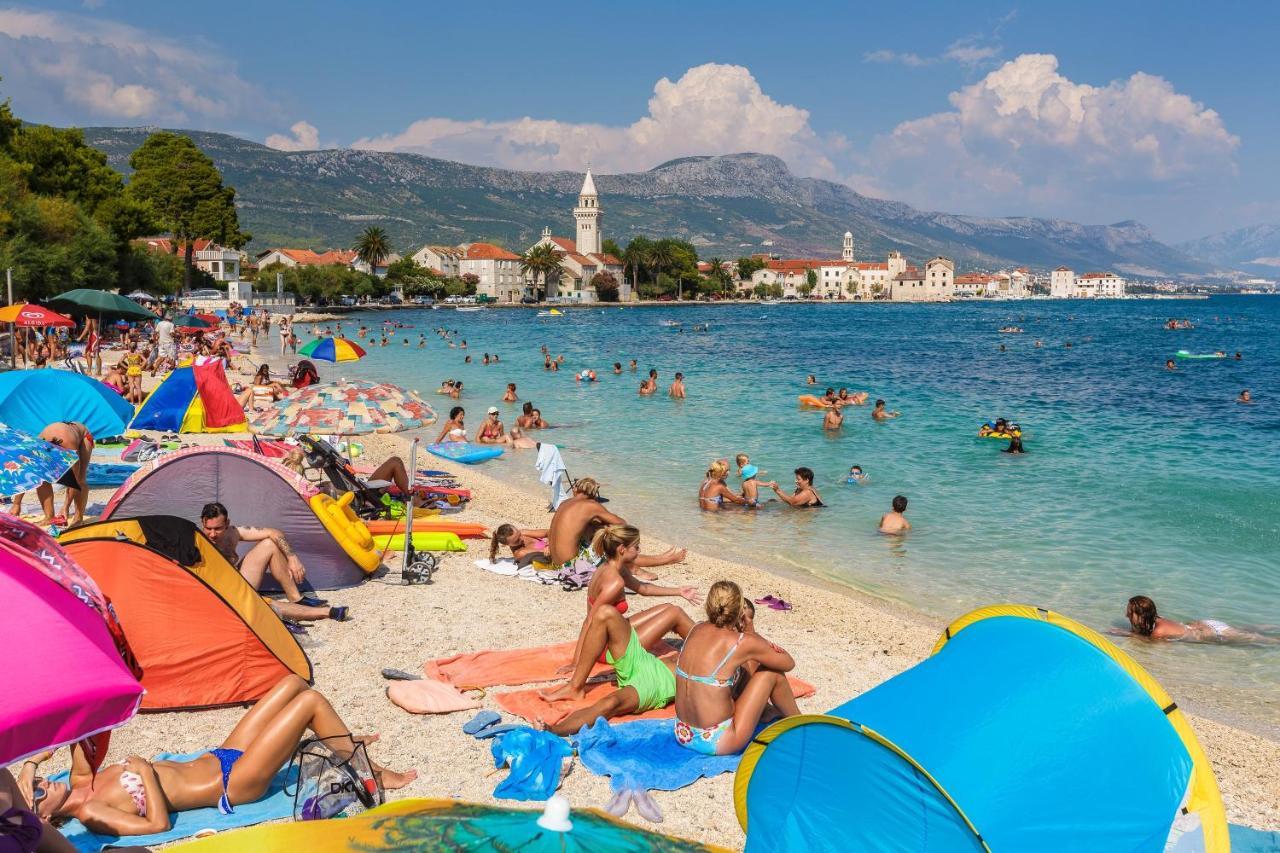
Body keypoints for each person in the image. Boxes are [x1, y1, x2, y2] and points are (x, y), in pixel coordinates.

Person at [19, 675, 414, 838]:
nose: (40, 785)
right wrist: (145, 774)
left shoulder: (80, 782)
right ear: (44, 817)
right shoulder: (92, 815)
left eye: (35, 783)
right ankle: (372, 773)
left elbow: (79, 726)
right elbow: (157, 825)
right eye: (36, 793)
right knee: (310, 702)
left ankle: (335, 737)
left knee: (293, 682)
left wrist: (30, 762)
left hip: (219, 756)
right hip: (232, 783)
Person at [537, 525, 699, 733]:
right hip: (609, 646)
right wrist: (577, 662)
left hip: (614, 633)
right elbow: (590, 621)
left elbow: (643, 589)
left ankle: (705, 639)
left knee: (672, 609)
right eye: (637, 547)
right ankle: (706, 642)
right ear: (622, 549)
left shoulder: (611, 567)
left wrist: (678, 591)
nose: (639, 552)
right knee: (671, 614)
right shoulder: (614, 582)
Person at [673, 580, 799, 755]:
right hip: (717, 741)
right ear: (739, 611)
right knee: (771, 674)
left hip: (682, 733)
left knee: (736, 671)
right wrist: (752, 633)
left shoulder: (696, 629)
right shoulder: (741, 642)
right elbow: (788, 663)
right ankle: (800, 724)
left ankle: (767, 712)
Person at [547, 478, 684, 579]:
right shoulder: (590, 505)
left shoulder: (565, 503)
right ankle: (643, 566)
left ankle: (660, 558)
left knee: (594, 530)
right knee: (611, 541)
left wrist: (595, 523)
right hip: (570, 567)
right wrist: (601, 525)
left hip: (556, 563)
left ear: (576, 490)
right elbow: (622, 524)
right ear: (594, 494)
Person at [199, 502, 327, 608]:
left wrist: (292, 558)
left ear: (227, 524)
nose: (212, 534)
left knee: (269, 544)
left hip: (239, 584)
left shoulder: (233, 533)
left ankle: (295, 598)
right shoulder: (197, 541)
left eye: (218, 528)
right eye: (208, 528)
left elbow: (275, 533)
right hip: (220, 595)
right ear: (202, 524)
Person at [9, 422, 94, 526]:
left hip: (83, 437)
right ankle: (49, 517)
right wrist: (16, 504)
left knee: (80, 478)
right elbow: (27, 474)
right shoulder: (36, 448)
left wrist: (65, 508)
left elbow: (74, 482)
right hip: (56, 436)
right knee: (42, 478)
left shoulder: (69, 448)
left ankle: (78, 517)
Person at [1123, 596, 1279, 644]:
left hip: (1217, 632)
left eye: (1130, 613)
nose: (1126, 616)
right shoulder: (1157, 619)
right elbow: (1144, 632)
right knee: (1251, 629)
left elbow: (1152, 644)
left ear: (1140, 615)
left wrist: (1129, 635)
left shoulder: (1158, 631)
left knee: (1265, 640)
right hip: (1208, 624)